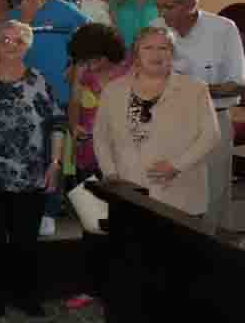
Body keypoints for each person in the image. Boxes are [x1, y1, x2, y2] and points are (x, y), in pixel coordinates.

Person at [0, 20, 66, 317]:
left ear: (28, 47)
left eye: (19, 42)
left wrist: (55, 163)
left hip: (31, 174)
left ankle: (26, 295)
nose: (12, 47)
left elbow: (58, 124)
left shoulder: (40, 80)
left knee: (26, 241)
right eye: (6, 41)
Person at [155, 0, 245, 231]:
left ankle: (213, 255)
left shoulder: (224, 29)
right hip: (167, 121)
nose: (162, 13)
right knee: (171, 193)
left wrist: (195, 91)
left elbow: (238, 83)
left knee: (213, 194)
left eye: (169, 7)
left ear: (190, 4)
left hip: (213, 118)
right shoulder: (156, 28)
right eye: (159, 6)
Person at [93, 26, 219, 217]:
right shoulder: (113, 90)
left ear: (172, 54)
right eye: (148, 48)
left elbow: (211, 135)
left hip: (180, 192)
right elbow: (101, 136)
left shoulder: (196, 89)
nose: (156, 54)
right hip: (128, 190)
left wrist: (176, 166)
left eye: (163, 48)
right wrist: (110, 174)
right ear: (136, 54)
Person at [9, 0, 89, 236]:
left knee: (54, 156)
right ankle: (29, 208)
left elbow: (94, 36)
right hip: (25, 98)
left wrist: (76, 63)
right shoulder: (13, 16)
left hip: (60, 93)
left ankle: (50, 210)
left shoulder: (63, 9)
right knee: (30, 153)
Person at [62, 22, 128, 310]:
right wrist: (75, 127)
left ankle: (120, 286)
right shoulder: (82, 70)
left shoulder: (129, 70)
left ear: (109, 52)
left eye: (95, 58)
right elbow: (74, 104)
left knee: (124, 228)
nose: (90, 65)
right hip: (89, 154)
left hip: (124, 159)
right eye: (85, 60)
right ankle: (90, 287)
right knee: (92, 226)